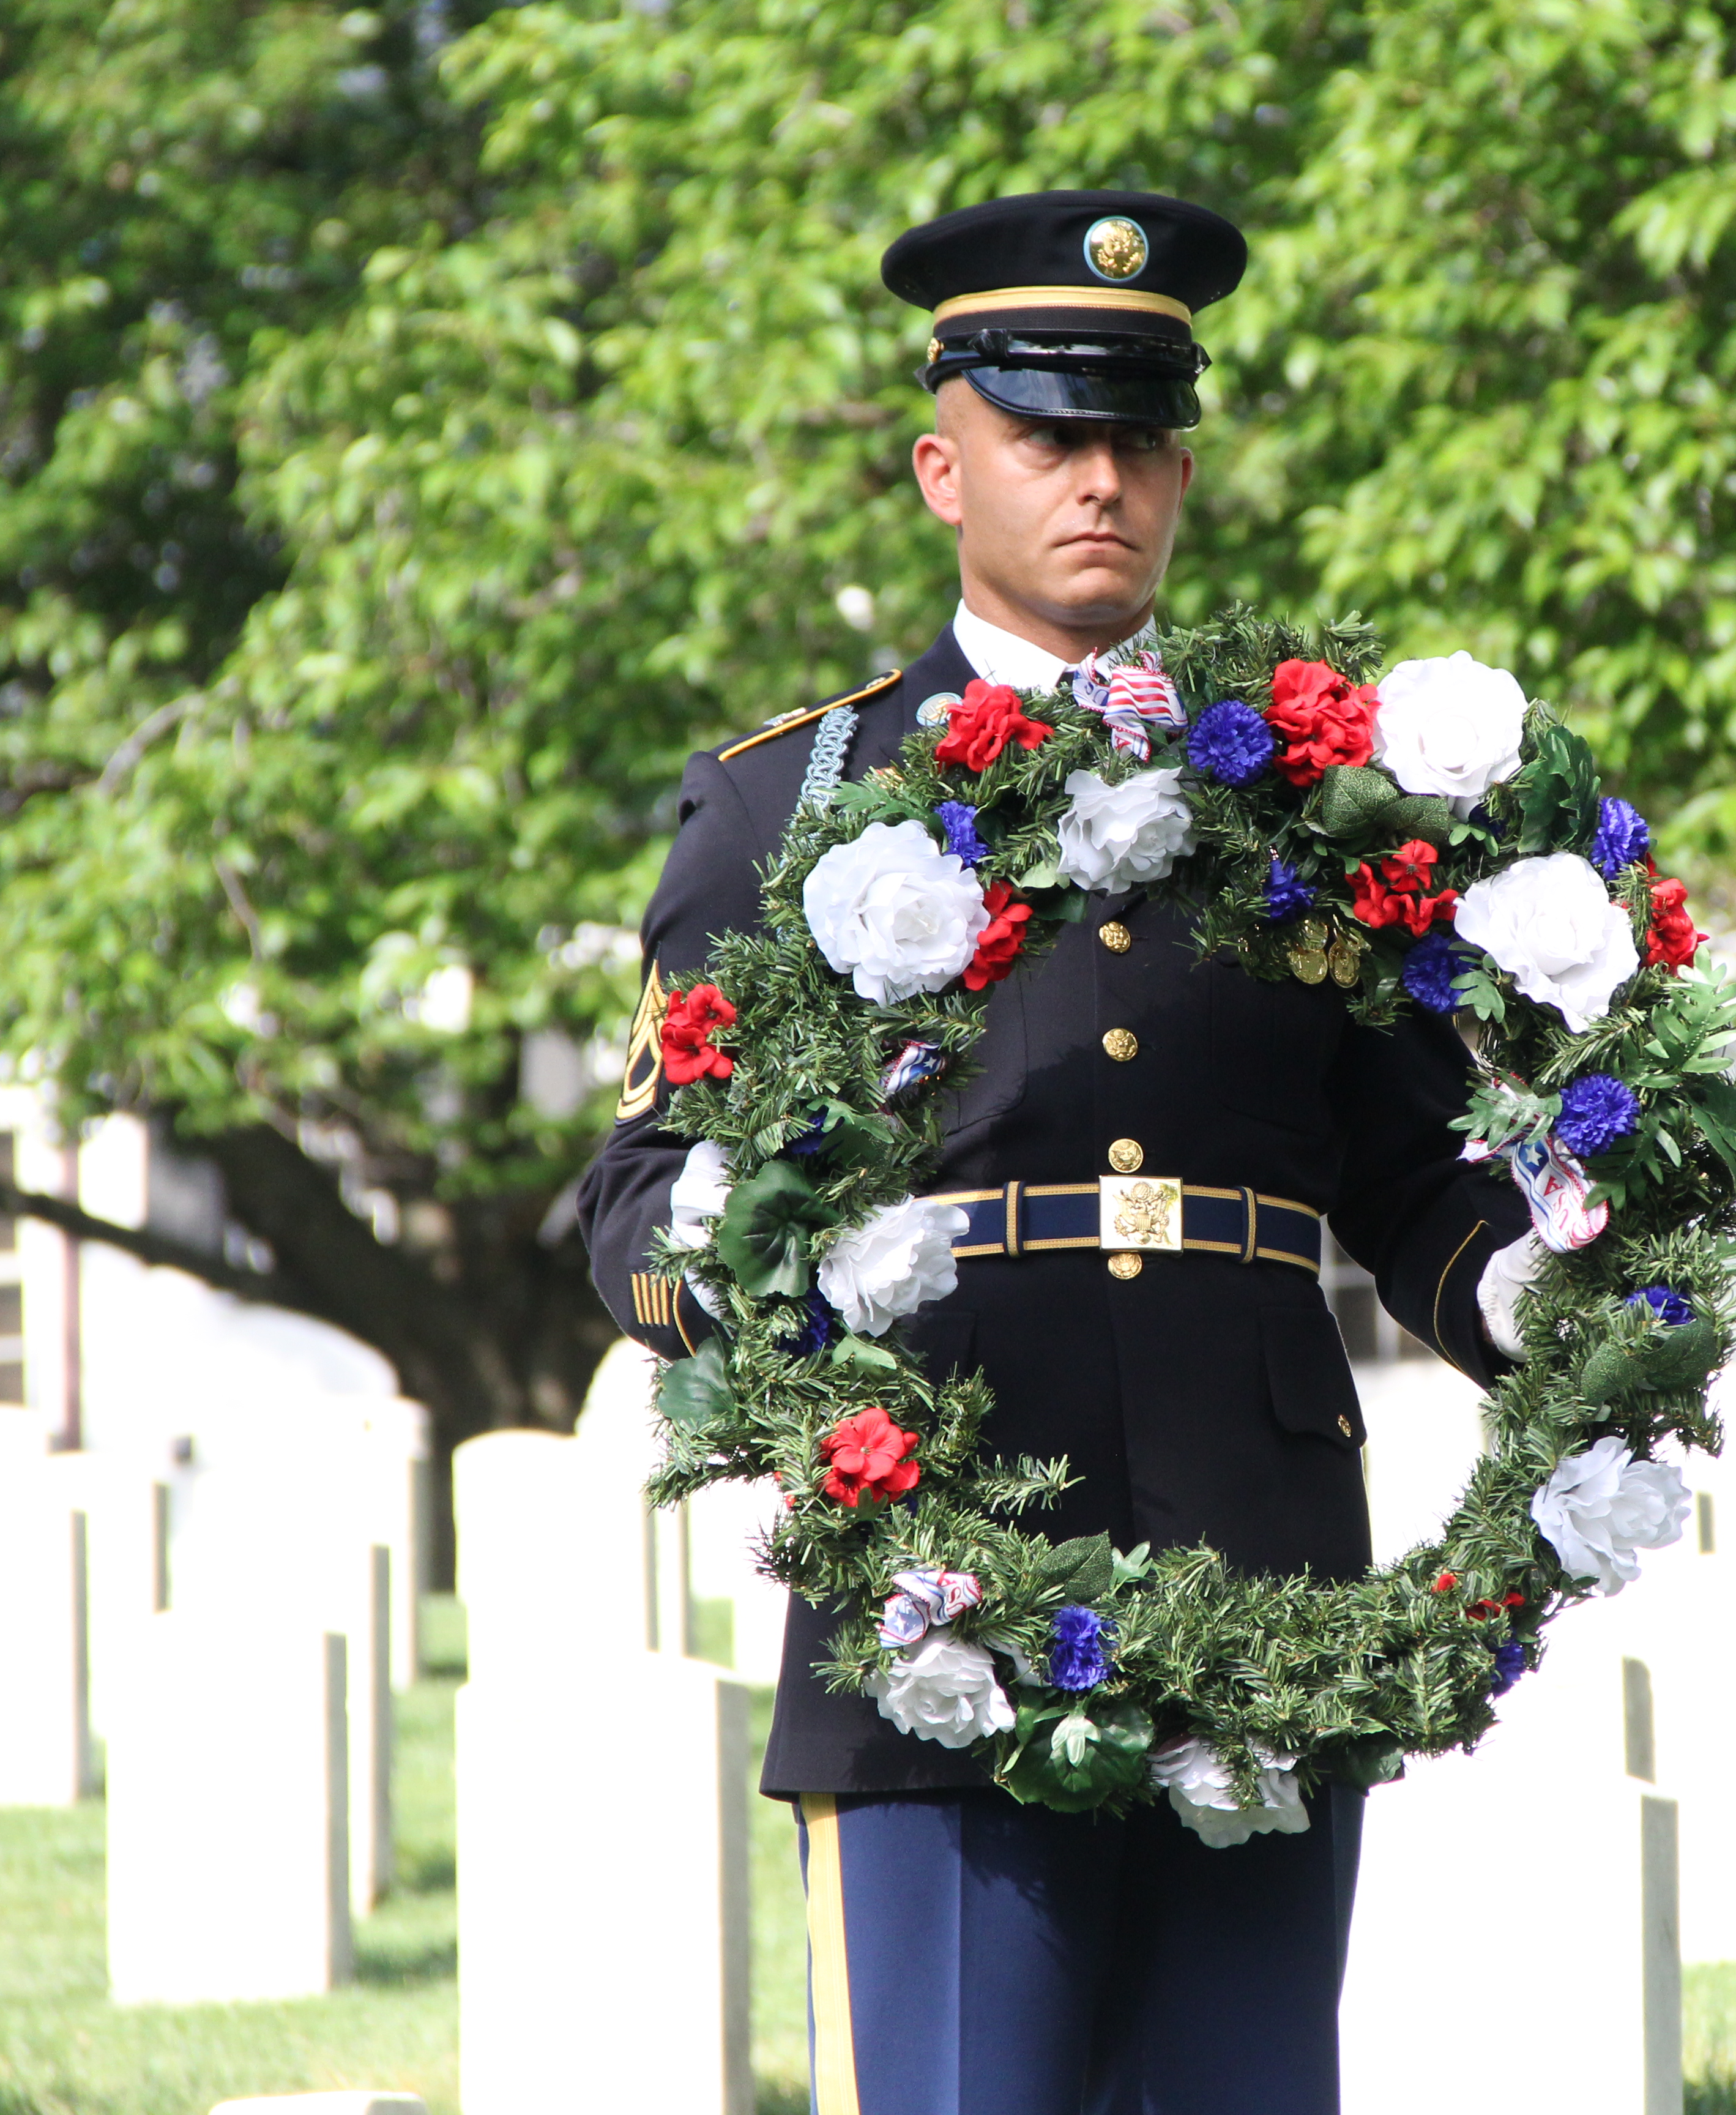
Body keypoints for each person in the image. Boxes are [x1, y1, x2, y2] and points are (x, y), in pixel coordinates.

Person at [575, 191, 1541, 2115]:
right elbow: (633, 1196)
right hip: (940, 1591)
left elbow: (1409, 1166)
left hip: (1262, 1590)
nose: (1101, 478)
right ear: (946, 465)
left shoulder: (1300, 794)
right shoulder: (798, 797)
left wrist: (1551, 1291)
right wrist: (753, 1273)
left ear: (1181, 463)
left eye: (1139, 437)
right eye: (1047, 436)